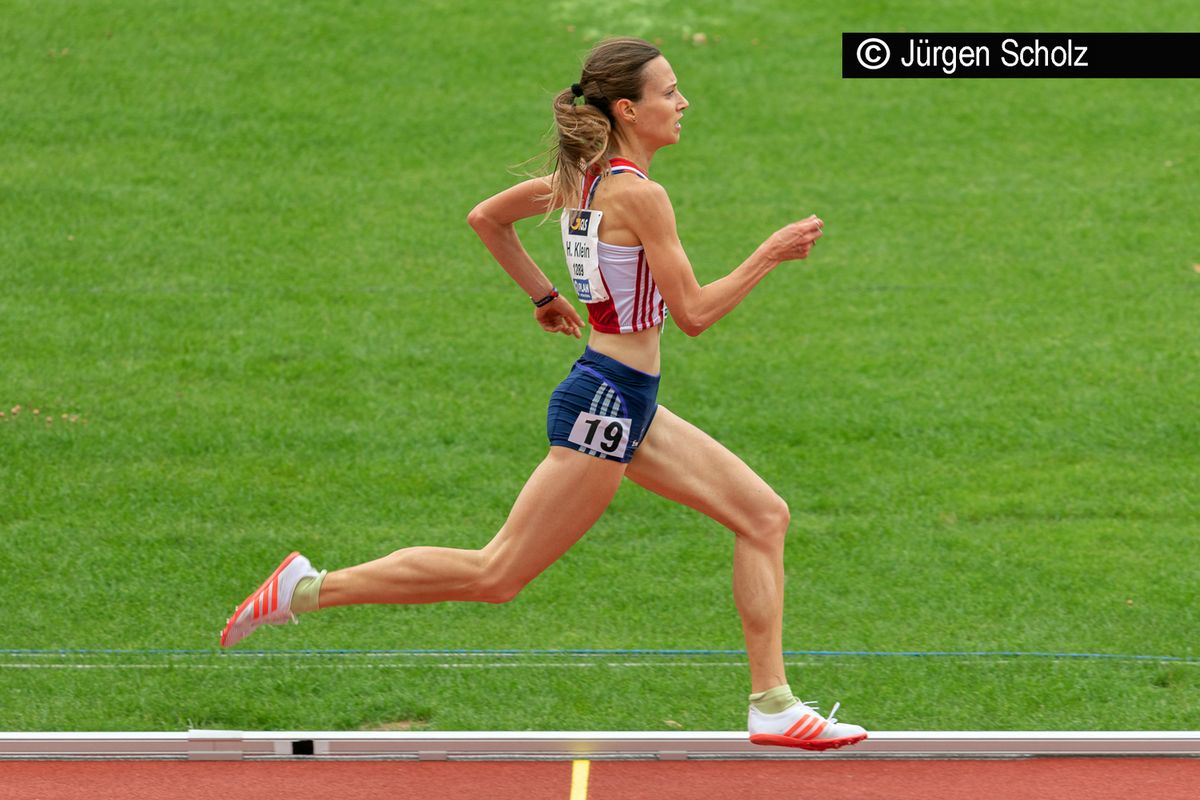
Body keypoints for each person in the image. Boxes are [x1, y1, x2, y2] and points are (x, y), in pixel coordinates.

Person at [220, 36, 866, 751]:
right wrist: (770, 254)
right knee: (497, 573)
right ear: (628, 108)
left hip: (623, 397)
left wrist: (543, 297)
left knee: (762, 516)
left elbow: (485, 218)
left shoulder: (579, 179)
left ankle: (772, 703)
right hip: (607, 404)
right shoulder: (640, 197)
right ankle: (306, 590)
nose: (682, 103)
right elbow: (695, 314)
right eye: (669, 92)